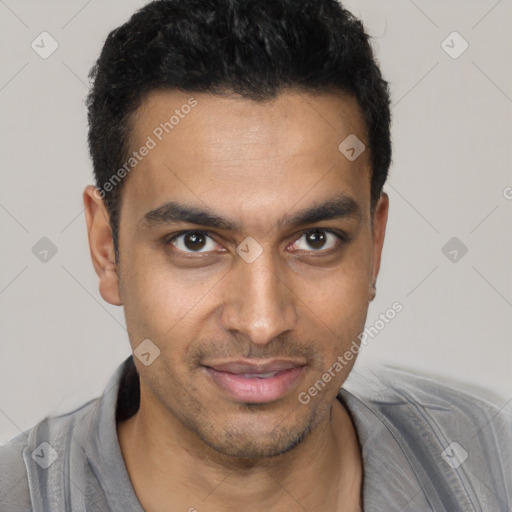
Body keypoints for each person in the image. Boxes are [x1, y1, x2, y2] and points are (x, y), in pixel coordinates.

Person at [1, 0, 510, 510]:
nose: (262, 323)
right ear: (107, 249)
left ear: (375, 244)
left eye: (315, 239)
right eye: (195, 241)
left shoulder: (492, 465)